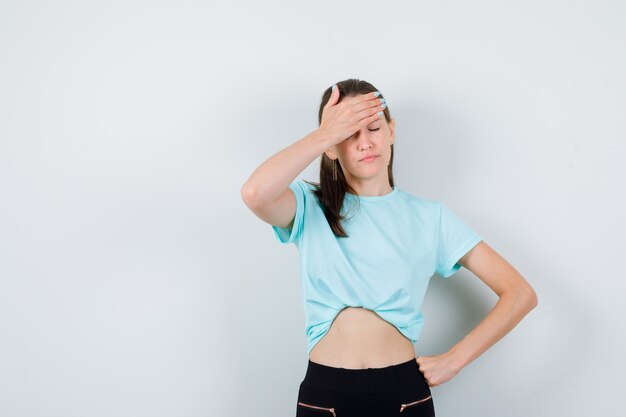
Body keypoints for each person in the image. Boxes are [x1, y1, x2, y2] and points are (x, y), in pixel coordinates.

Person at [240, 78, 538, 417]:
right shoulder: (309, 206)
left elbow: (519, 293)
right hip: (326, 393)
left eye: (373, 127)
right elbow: (255, 193)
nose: (365, 142)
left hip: (403, 395)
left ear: (391, 131)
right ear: (331, 147)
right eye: (349, 133)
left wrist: (455, 360)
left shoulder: (431, 218)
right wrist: (326, 132)